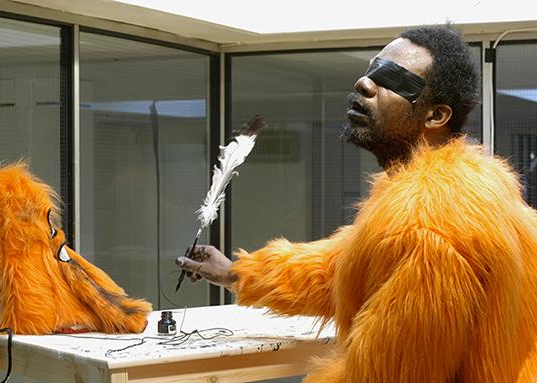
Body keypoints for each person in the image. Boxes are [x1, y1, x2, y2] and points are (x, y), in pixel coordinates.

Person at [176, 25, 537, 383]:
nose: (364, 84)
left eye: (393, 79)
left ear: (435, 116)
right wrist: (237, 273)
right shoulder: (455, 194)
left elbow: (384, 376)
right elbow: (339, 271)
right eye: (371, 70)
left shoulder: (430, 222)